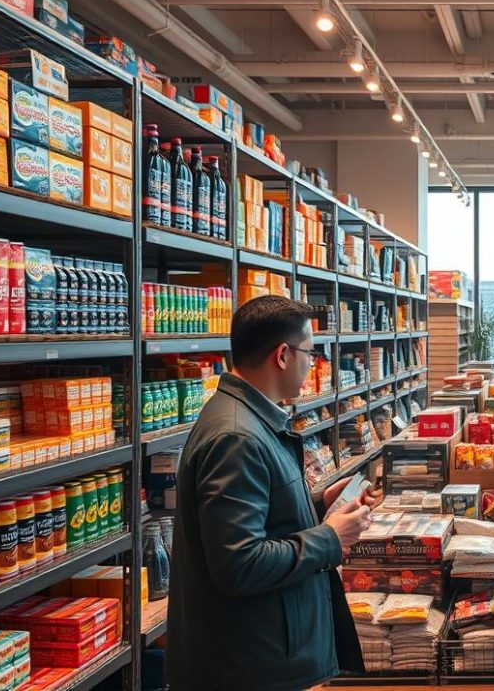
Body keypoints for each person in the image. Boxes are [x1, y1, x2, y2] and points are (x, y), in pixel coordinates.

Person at [167, 296, 377, 691]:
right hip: (247, 666)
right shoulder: (236, 436)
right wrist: (331, 537)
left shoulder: (248, 421)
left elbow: (260, 519)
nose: (312, 365)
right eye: (310, 355)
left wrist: (317, 506)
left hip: (258, 655)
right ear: (282, 355)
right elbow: (239, 563)